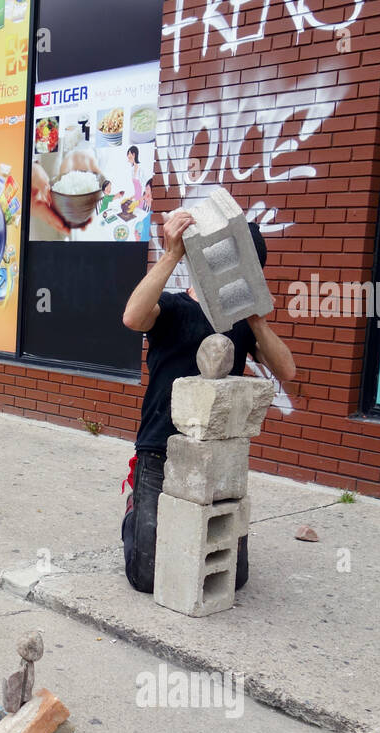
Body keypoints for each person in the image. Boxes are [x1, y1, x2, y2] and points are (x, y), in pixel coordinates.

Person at [120, 209, 297, 593]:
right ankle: (137, 511)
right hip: (160, 448)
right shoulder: (173, 308)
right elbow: (133, 317)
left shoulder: (242, 324)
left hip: (218, 452)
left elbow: (287, 371)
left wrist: (256, 321)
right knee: (147, 576)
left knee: (234, 578)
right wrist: (171, 255)